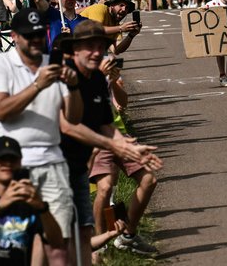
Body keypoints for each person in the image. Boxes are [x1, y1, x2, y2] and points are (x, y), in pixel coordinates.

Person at [0, 8, 83, 265]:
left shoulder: (54, 63)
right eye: (29, 35)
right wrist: (37, 85)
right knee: (10, 243)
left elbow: (73, 118)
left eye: (40, 34)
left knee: (57, 241)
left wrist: (73, 86)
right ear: (14, 36)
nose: (36, 40)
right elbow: (1, 111)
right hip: (9, 163)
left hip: (52, 162)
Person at [58, 21, 162, 264]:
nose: (97, 52)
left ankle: (127, 236)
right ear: (75, 50)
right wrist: (114, 144)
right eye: (89, 47)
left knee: (149, 178)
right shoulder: (65, 75)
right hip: (73, 148)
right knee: (104, 188)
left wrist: (127, 145)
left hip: (107, 136)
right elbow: (68, 124)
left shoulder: (96, 76)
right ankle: (95, 246)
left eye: (101, 46)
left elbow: (107, 119)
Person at [0, 136, 63, 265]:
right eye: (1, 158)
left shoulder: (29, 203)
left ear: (20, 163)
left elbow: (57, 242)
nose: (8, 163)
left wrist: (42, 208)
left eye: (13, 158)